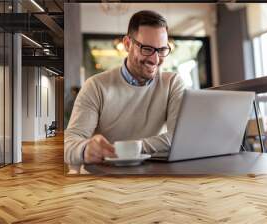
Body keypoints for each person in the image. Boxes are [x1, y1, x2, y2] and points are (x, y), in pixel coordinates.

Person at [65, 10, 185, 165]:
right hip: (105, 177)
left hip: (155, 175)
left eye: (161, 50)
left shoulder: (172, 83)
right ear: (128, 44)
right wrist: (84, 148)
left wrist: (131, 149)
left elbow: (179, 137)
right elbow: (69, 143)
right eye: (147, 49)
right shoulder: (95, 86)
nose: (155, 59)